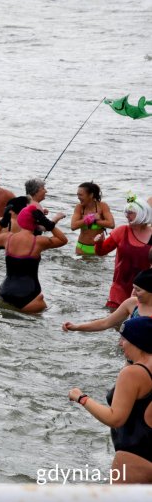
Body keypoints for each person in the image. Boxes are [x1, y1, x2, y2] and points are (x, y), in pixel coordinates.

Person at [68, 317, 152, 483]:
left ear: (137, 341)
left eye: (124, 339)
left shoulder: (133, 373)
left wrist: (81, 397)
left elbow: (115, 419)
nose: (120, 344)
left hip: (134, 457)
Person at [0, 204, 67, 313]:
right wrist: (49, 225)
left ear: (20, 221)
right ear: (37, 223)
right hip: (29, 296)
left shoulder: (8, 238)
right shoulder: (39, 241)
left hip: (5, 291)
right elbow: (63, 240)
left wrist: (2, 223)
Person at [95, 195, 152, 310]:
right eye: (126, 212)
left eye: (130, 213)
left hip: (143, 290)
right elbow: (101, 252)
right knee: (114, 321)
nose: (127, 216)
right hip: (119, 287)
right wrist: (99, 243)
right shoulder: (122, 231)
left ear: (142, 213)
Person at [63, 269, 152, 333]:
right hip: (130, 355)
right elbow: (105, 323)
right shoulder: (132, 303)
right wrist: (76, 327)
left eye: (138, 290)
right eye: (133, 288)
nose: (133, 293)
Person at [71, 182, 115, 255]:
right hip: (81, 248)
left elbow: (111, 224)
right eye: (77, 195)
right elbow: (73, 226)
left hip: (99, 248)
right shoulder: (79, 207)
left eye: (81, 195)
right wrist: (89, 218)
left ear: (91, 195)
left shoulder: (102, 206)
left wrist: (95, 220)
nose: (78, 197)